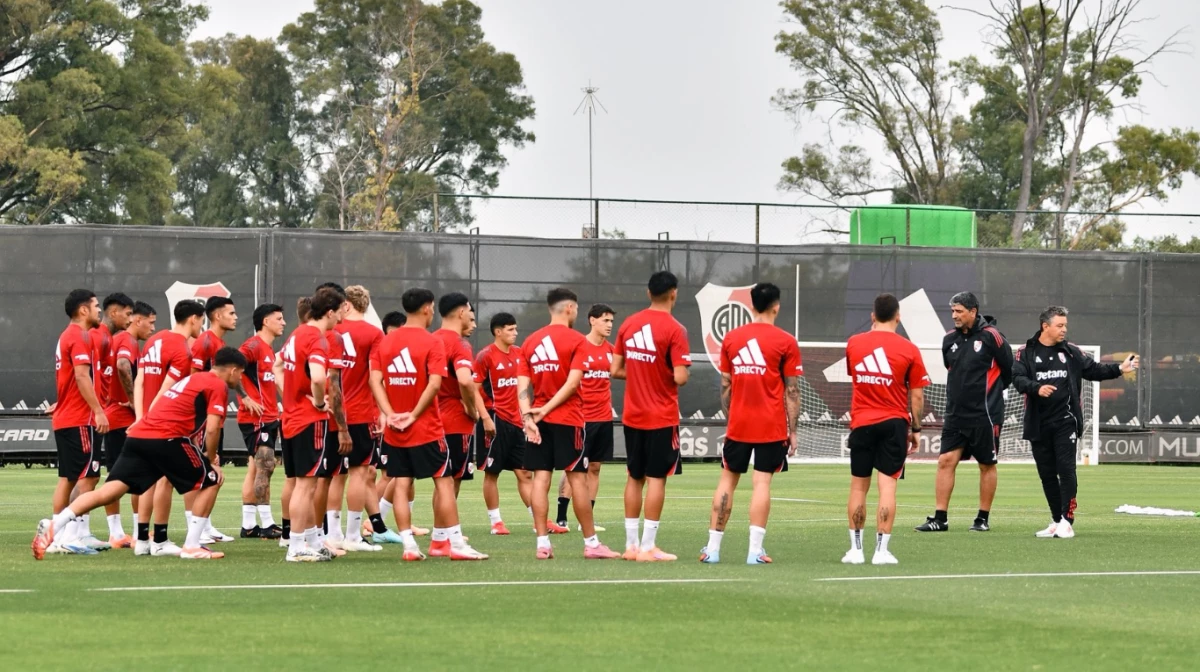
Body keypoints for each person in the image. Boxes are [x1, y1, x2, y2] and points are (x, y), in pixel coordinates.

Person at [33, 347, 249, 561]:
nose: (239, 378)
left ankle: (55, 525)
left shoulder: (192, 380)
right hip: (166, 439)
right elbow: (213, 428)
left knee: (109, 492)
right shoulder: (217, 385)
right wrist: (211, 460)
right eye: (240, 373)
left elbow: (180, 414)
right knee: (212, 480)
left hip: (139, 436)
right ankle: (192, 546)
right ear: (232, 370)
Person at [368, 287, 487, 561]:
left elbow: (375, 381)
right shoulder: (433, 341)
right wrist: (413, 415)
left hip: (396, 430)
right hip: (427, 428)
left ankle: (409, 546)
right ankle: (455, 544)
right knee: (444, 482)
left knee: (400, 483)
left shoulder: (385, 342)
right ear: (427, 308)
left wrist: (391, 414)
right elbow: (434, 384)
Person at [1012, 306, 1138, 539]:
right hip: (1038, 423)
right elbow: (1018, 379)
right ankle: (1056, 519)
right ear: (1045, 326)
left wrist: (1120, 369)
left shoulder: (1071, 352)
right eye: (1059, 325)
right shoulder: (1024, 352)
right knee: (1047, 474)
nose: (1064, 329)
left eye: (1065, 325)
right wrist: (1037, 388)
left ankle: (1067, 521)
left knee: (1066, 469)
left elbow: (1094, 370)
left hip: (1065, 421)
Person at [699, 283, 802, 565]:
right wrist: (793, 432)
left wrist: (732, 420)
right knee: (762, 483)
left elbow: (725, 385)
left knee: (727, 481)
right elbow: (792, 391)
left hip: (739, 425)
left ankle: (712, 549)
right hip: (771, 425)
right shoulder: (786, 341)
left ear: (752, 306)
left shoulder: (731, 339)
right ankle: (755, 551)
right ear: (776, 306)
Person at [518, 287, 620, 560]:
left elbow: (522, 386)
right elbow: (573, 383)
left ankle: (542, 544)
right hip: (569, 419)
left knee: (541, 478)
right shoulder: (577, 340)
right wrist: (545, 410)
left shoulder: (530, 341)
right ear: (569, 309)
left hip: (538, 422)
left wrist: (528, 416)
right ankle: (592, 544)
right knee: (578, 480)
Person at [841, 293, 930, 565]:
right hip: (894, 423)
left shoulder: (854, 344)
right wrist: (915, 428)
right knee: (887, 487)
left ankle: (856, 550)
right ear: (898, 317)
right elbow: (916, 396)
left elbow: (855, 376)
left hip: (862, 423)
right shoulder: (909, 349)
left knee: (858, 487)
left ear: (872, 316)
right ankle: (881, 551)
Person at [916, 291, 1013, 533]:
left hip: (985, 414)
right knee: (945, 461)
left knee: (986, 464)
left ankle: (982, 518)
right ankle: (940, 518)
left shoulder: (993, 337)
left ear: (973, 311)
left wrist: (989, 397)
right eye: (952, 311)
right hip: (955, 415)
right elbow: (953, 369)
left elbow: (1009, 369)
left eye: (959, 311)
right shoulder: (949, 339)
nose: (955, 316)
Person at [611, 271, 692, 561]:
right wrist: (663, 373)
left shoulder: (629, 323)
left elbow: (615, 369)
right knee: (657, 479)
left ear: (648, 293)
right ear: (674, 293)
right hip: (661, 416)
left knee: (634, 477)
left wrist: (641, 372)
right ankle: (648, 547)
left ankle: (631, 546)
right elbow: (681, 377)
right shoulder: (675, 329)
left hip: (633, 414)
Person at [133, 299, 205, 556]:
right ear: (193, 319)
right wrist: (152, 420)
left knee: (147, 480)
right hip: (163, 424)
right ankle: (160, 541)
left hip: (145, 421)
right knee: (165, 479)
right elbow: (166, 392)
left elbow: (139, 380)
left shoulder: (155, 340)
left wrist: (141, 418)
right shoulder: (182, 351)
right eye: (201, 320)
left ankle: (142, 541)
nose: (201, 326)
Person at [279, 287, 346, 562]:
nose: (342, 317)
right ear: (329, 311)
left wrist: (292, 396)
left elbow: (276, 367)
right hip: (309, 421)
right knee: (307, 486)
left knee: (300, 484)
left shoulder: (297, 333)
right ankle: (296, 547)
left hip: (291, 419)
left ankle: (308, 541)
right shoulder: (317, 339)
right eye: (341, 310)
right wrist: (318, 403)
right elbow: (319, 378)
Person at [329, 285, 397, 551]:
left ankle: (332, 534)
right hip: (359, 413)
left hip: (331, 412)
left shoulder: (331, 330)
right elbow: (375, 377)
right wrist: (382, 411)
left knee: (335, 475)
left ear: (346, 304)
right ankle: (354, 536)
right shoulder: (373, 333)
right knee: (358, 474)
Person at [48, 290, 108, 555]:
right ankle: (68, 536)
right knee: (86, 477)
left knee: (71, 478)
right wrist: (98, 411)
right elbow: (82, 377)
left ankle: (60, 535)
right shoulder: (80, 336)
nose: (99, 311)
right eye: (96, 306)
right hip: (79, 419)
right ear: (83, 310)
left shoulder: (66, 335)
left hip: (67, 417)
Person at [100, 299, 155, 549]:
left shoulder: (122, 340)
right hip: (121, 420)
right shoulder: (127, 340)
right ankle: (120, 533)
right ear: (137, 320)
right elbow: (122, 366)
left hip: (120, 419)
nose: (152, 329)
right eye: (151, 323)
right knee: (120, 476)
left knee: (128, 474)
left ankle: (131, 532)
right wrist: (134, 401)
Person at [473, 312, 535, 535]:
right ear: (498, 331)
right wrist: (485, 418)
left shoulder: (520, 354)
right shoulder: (485, 356)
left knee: (525, 473)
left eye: (516, 329)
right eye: (510, 329)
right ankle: (496, 522)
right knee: (492, 473)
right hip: (495, 422)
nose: (515, 333)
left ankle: (538, 520)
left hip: (517, 424)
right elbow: (473, 389)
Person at [557, 304, 616, 532]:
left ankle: (587, 522)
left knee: (595, 467)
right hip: (579, 418)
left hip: (603, 418)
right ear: (592, 320)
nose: (609, 325)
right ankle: (561, 517)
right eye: (605, 320)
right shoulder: (578, 347)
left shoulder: (611, 351)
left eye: (611, 321)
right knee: (573, 468)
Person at [81, 292, 133, 550]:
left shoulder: (108, 337)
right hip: (106, 417)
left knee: (90, 475)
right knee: (96, 475)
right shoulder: (100, 335)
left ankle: (75, 530)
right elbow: (82, 372)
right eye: (127, 313)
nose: (130, 319)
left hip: (104, 415)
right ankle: (74, 530)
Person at [187, 295, 239, 544]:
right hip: (200, 417)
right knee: (201, 469)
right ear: (217, 316)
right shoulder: (205, 341)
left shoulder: (218, 342)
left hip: (212, 414)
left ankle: (204, 525)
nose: (235, 317)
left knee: (210, 469)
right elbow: (194, 379)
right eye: (231, 313)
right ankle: (195, 528)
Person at [375, 311, 427, 538]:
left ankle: (406, 522)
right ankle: (374, 521)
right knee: (389, 475)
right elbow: (375, 384)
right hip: (390, 419)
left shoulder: (405, 349)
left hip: (407, 420)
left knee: (407, 474)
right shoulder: (383, 349)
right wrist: (383, 413)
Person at [237, 303, 285, 540]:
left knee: (256, 468)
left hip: (268, 417)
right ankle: (267, 523)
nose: (283, 323)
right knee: (266, 466)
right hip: (257, 419)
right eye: (279, 318)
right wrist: (245, 397)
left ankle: (248, 525)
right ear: (266, 321)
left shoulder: (268, 349)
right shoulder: (253, 345)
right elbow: (231, 367)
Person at [433, 293, 480, 505]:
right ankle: (447, 532)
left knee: (441, 481)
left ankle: (440, 531)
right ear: (461, 312)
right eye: (470, 313)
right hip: (454, 422)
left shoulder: (430, 340)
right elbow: (465, 381)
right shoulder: (459, 344)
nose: (473, 321)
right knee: (452, 481)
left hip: (431, 420)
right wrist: (472, 409)